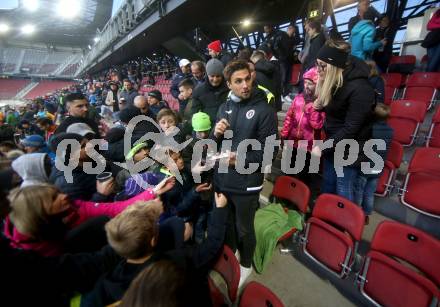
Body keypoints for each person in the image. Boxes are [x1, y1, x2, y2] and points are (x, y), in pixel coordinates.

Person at [212, 60, 278, 286]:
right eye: (238, 81)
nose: (245, 85)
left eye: (247, 79)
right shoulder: (224, 107)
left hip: (247, 183)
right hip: (224, 179)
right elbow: (216, 146)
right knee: (228, 223)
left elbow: (268, 155)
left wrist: (237, 159)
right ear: (229, 84)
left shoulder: (265, 111)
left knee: (244, 228)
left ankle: (246, 264)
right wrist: (216, 134)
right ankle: (233, 255)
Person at [3, 184, 161, 256]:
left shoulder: (74, 207)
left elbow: (113, 209)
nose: (63, 195)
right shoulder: (33, 256)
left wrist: (152, 192)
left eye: (57, 192)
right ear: (38, 213)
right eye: (54, 198)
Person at [314, 40, 376, 201]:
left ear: (334, 66)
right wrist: (320, 105)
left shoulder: (361, 88)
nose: (318, 70)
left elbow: (351, 127)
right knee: (328, 185)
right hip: (333, 145)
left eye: (322, 66)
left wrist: (323, 147)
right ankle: (325, 222)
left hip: (352, 151)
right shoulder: (336, 80)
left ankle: (344, 225)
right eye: (317, 64)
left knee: (343, 193)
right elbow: (336, 110)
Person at [280, 67, 324, 182]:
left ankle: (300, 198)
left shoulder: (321, 102)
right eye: (305, 83)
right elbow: (289, 117)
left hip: (309, 146)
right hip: (293, 142)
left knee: (304, 177)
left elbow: (317, 125)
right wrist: (284, 134)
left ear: (318, 85)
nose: (306, 86)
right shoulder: (299, 98)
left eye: (311, 83)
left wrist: (313, 107)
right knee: (288, 172)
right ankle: (283, 198)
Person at [354, 103, 393, 224]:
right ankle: (366, 214)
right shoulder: (390, 131)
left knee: (359, 190)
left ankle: (356, 213)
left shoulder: (370, 129)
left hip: (366, 165)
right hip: (378, 166)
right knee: (370, 192)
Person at [191, 59, 229, 125]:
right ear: (207, 75)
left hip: (228, 127)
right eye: (212, 76)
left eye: (218, 76)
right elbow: (195, 115)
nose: (215, 79)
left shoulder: (229, 87)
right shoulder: (198, 90)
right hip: (208, 129)